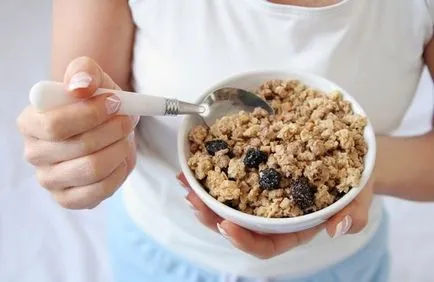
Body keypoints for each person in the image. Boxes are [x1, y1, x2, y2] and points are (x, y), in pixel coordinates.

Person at [17, 1, 434, 281]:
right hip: (161, 256)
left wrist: (364, 171)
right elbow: (85, 114)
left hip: (340, 263)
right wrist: (80, 148)